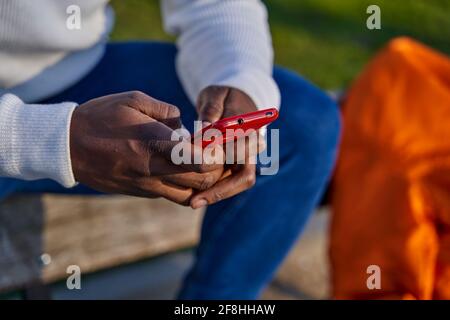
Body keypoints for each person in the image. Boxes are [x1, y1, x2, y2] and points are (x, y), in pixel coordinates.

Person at [0, 0, 340, 299]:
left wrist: (239, 83)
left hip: (72, 75)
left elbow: (213, 6)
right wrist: (50, 138)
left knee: (302, 127)